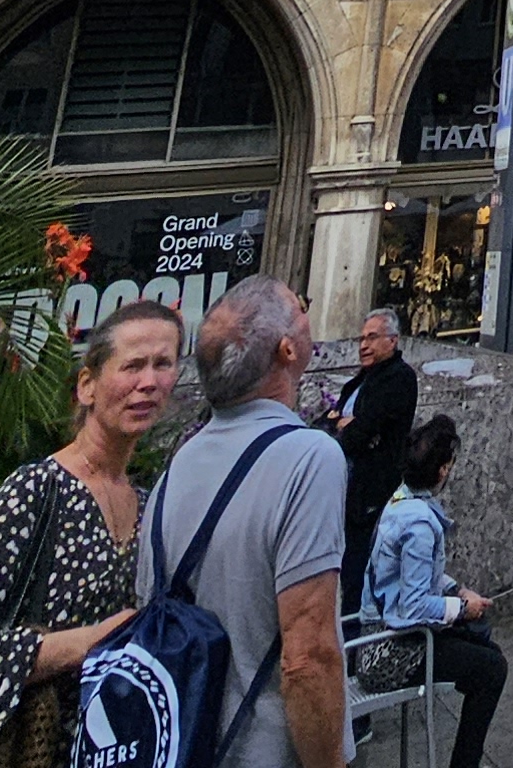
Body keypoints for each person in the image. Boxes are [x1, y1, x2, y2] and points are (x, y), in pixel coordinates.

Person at [0, 300, 179, 758]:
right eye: (132, 365)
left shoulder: (151, 506)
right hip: (23, 748)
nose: (149, 382)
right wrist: (94, 640)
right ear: (87, 386)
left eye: (163, 364)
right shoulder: (36, 490)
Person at [136, 277, 346, 768]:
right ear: (287, 350)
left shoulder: (175, 468)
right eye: (302, 307)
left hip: (180, 746)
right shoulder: (309, 458)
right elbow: (307, 657)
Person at [358, 414, 506, 768]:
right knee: (492, 668)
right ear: (442, 471)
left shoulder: (400, 501)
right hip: (389, 653)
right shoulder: (420, 524)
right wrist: (462, 608)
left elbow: (416, 575)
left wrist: (458, 589)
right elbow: (413, 606)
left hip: (376, 639)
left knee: (485, 651)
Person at [337, 309, 419, 569]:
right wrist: (344, 424)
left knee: (359, 565)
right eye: (361, 339)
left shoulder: (399, 378)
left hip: (370, 490)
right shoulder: (360, 380)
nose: (364, 345)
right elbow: (329, 420)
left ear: (392, 341)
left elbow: (364, 430)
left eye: (371, 338)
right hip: (343, 488)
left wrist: (350, 426)